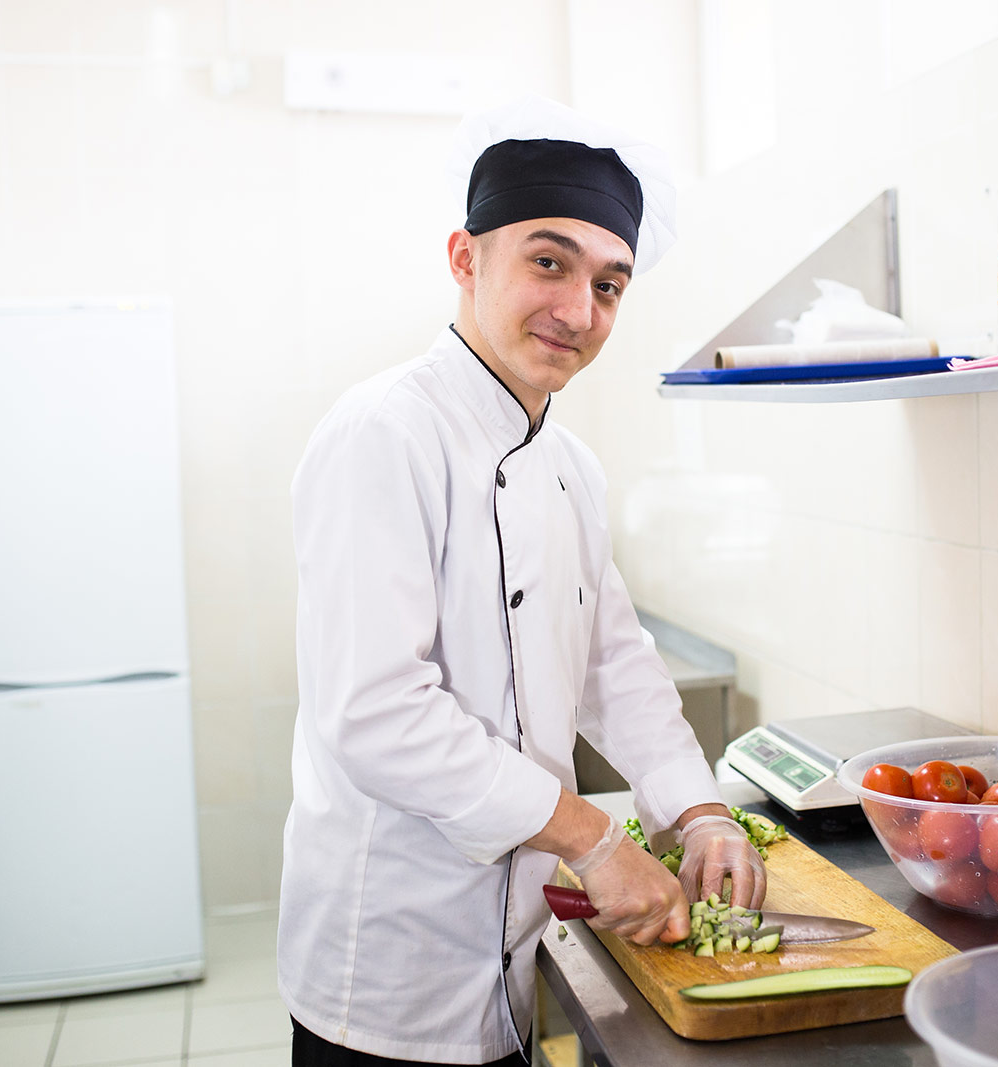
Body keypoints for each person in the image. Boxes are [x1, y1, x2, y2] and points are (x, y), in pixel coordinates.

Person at [278, 98, 766, 1067]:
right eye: (549, 262)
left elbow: (615, 664)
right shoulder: (384, 432)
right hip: (390, 961)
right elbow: (374, 710)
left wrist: (698, 808)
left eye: (609, 284)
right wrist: (593, 837)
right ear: (465, 258)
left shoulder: (570, 466)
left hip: (510, 946)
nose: (579, 312)